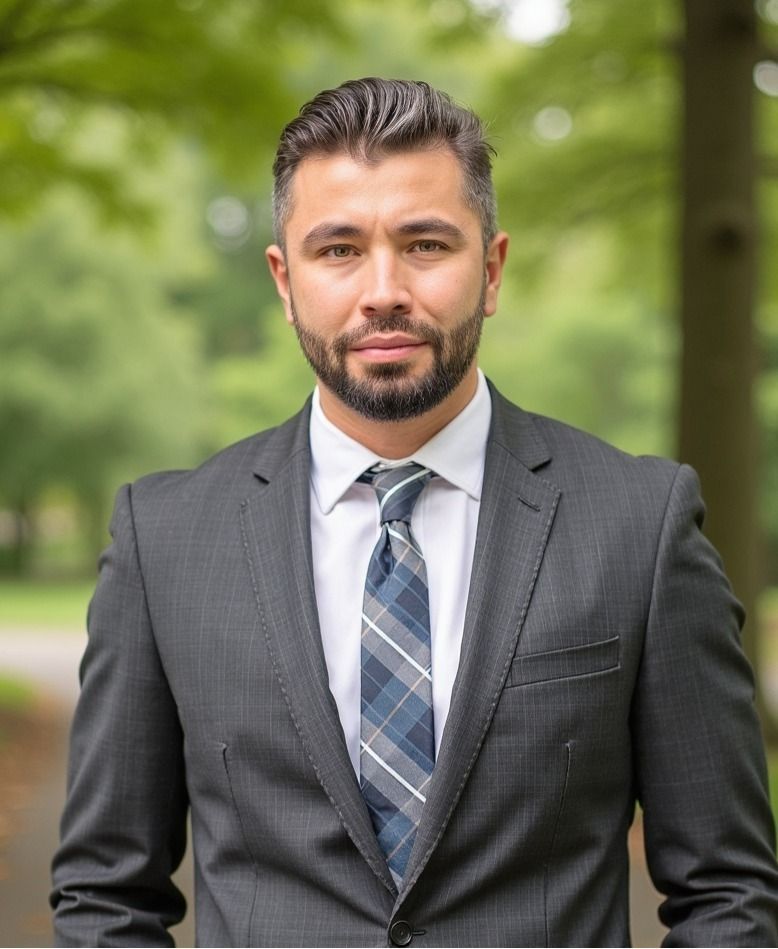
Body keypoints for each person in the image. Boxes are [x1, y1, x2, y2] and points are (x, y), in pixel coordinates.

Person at [52, 77, 778, 947]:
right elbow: (106, 895)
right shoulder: (164, 540)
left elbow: (728, 891)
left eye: (425, 243)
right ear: (284, 280)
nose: (384, 290)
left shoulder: (641, 526)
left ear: (492, 269)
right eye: (339, 249)